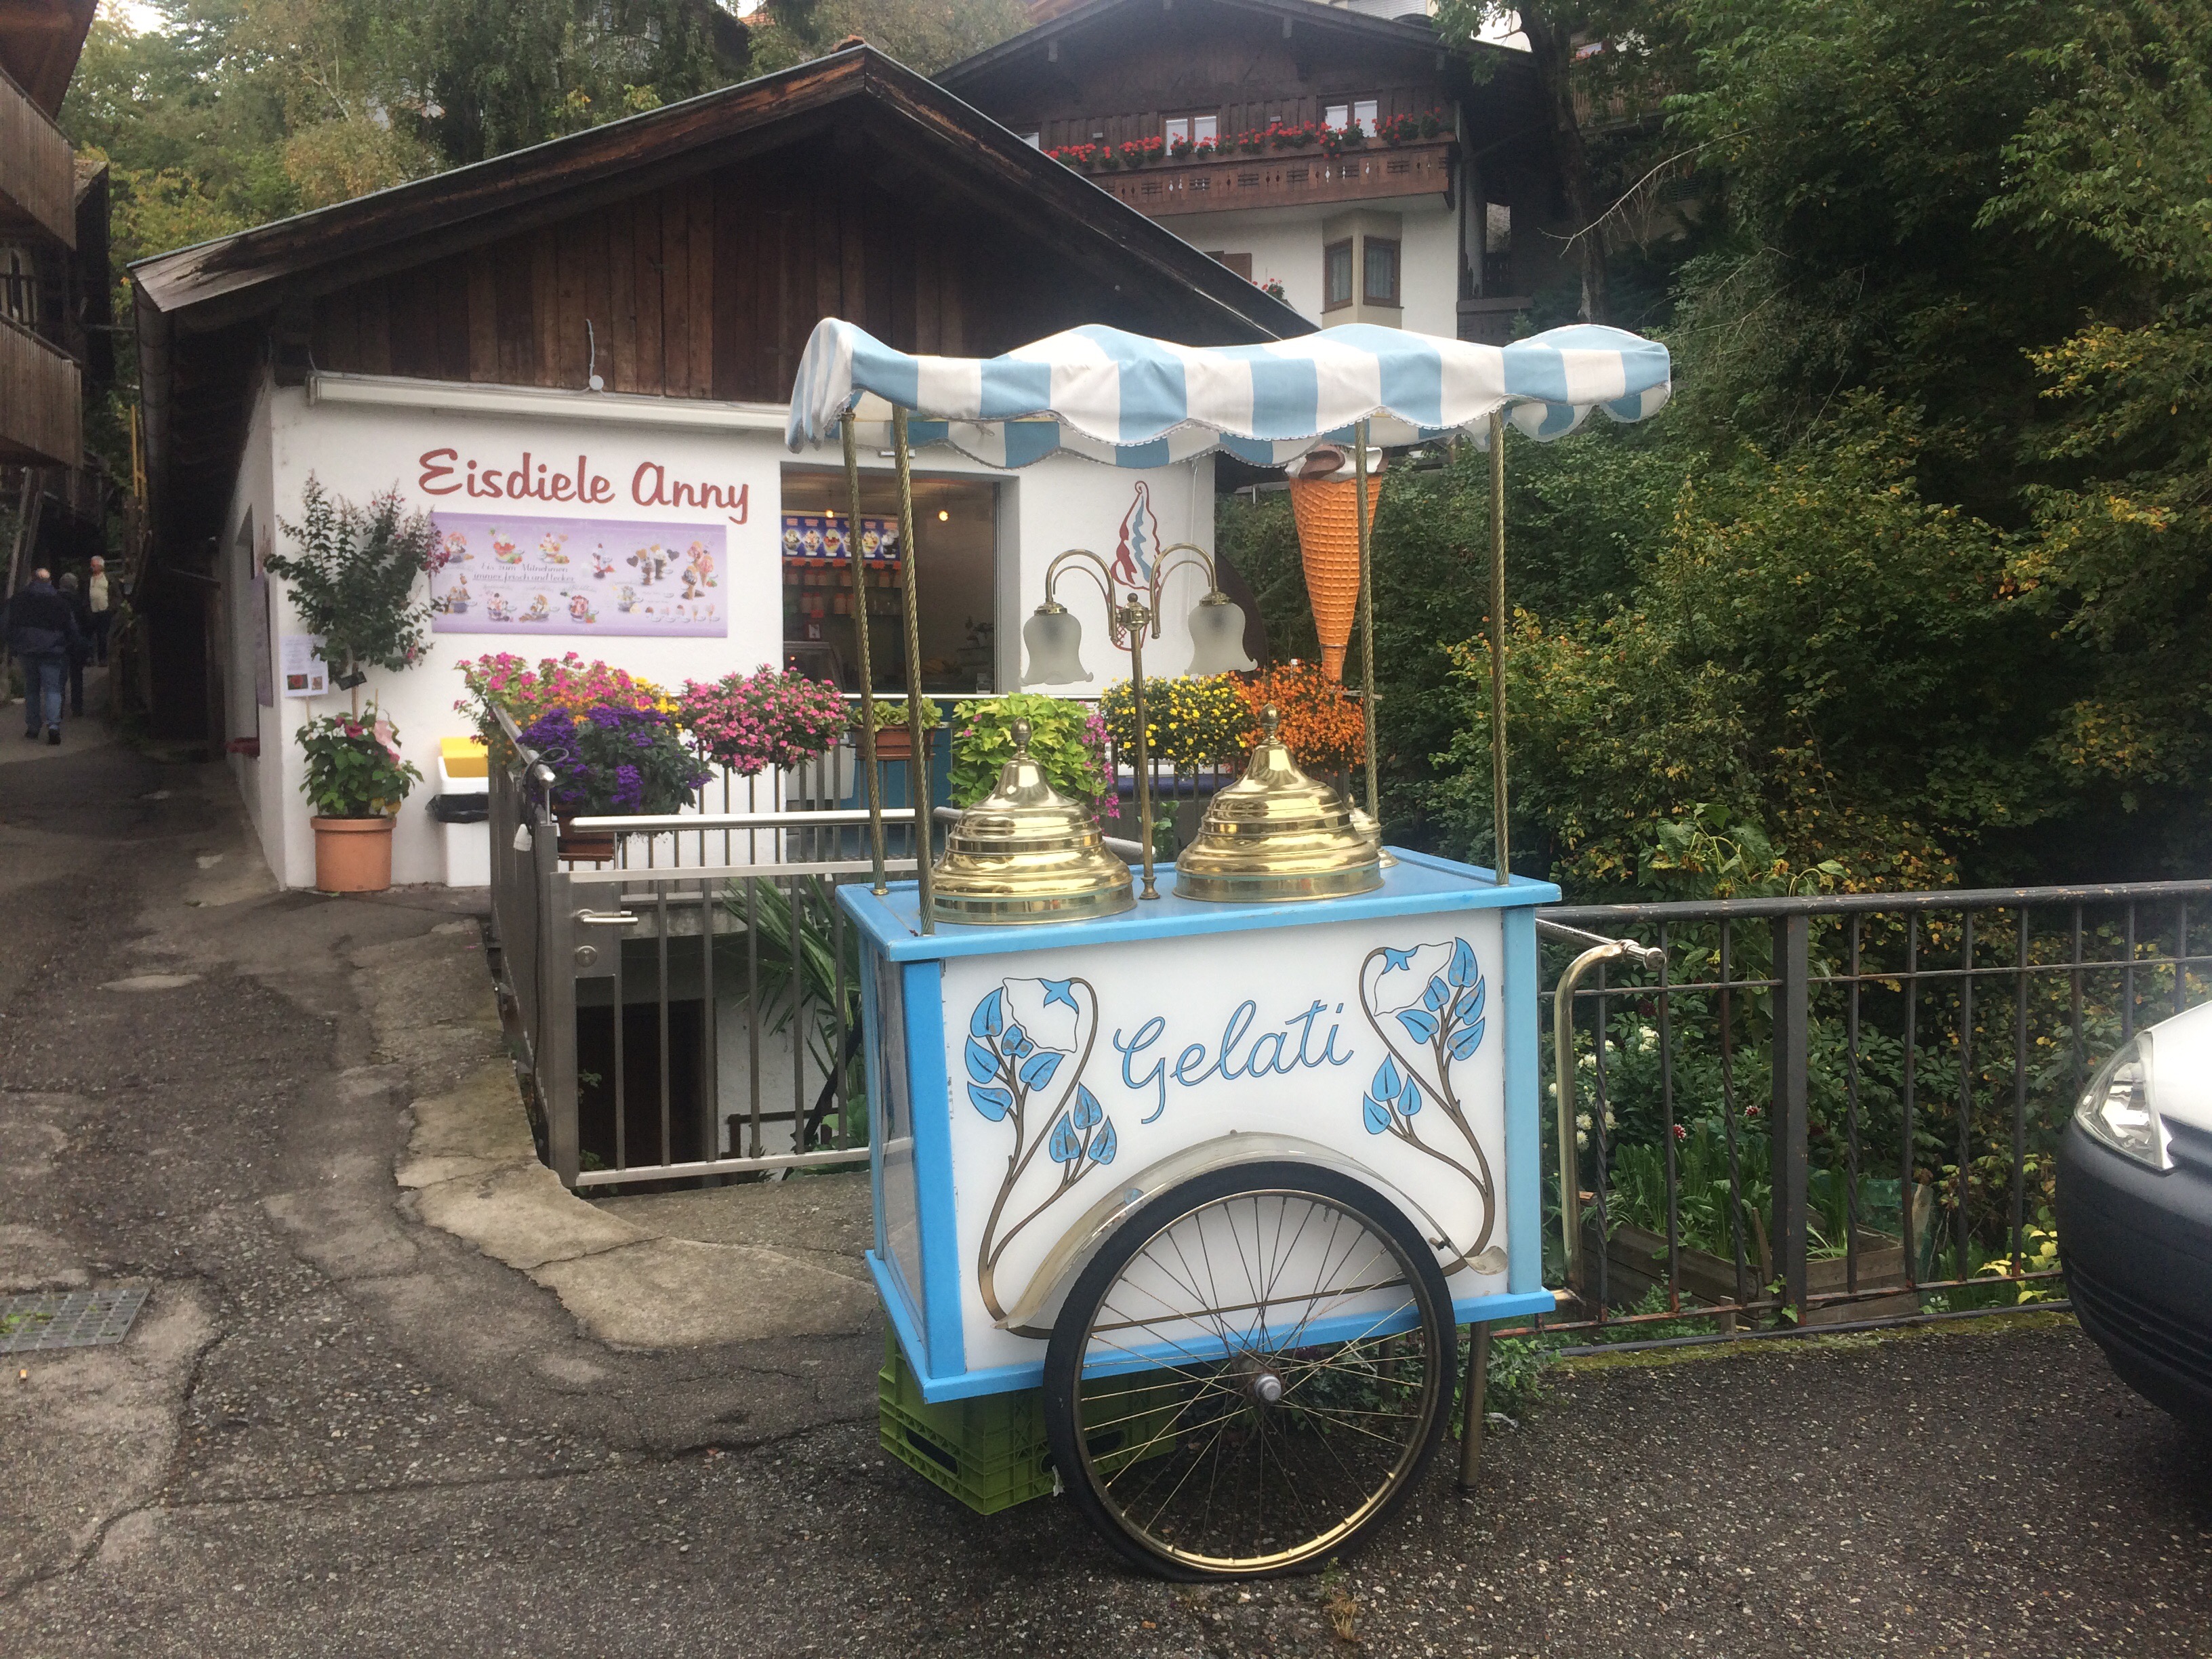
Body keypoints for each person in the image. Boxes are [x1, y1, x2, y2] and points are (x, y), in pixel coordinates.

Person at [5, 568, 79, 745]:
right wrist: (69, 645)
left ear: (33, 580)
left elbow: (6, 624)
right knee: (53, 689)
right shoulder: (60, 602)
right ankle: (53, 726)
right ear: (50, 581)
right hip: (53, 651)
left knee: (32, 689)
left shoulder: (19, 600)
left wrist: (13, 643)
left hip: (27, 650)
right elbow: (71, 628)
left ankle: (33, 727)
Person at [56, 571, 93, 718]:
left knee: (60, 677)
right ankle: (77, 707)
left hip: (60, 643)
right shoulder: (79, 601)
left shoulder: (55, 600)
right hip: (76, 642)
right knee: (77, 676)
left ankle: (58, 708)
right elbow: (87, 622)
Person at [86, 554, 110, 665]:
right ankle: (90, 658)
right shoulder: (88, 579)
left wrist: (111, 607)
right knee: (90, 636)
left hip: (104, 611)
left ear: (101, 566)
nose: (92, 567)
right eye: (91, 565)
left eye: (94, 565)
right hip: (91, 611)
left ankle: (103, 658)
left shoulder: (108, 578)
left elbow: (115, 594)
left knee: (102, 636)